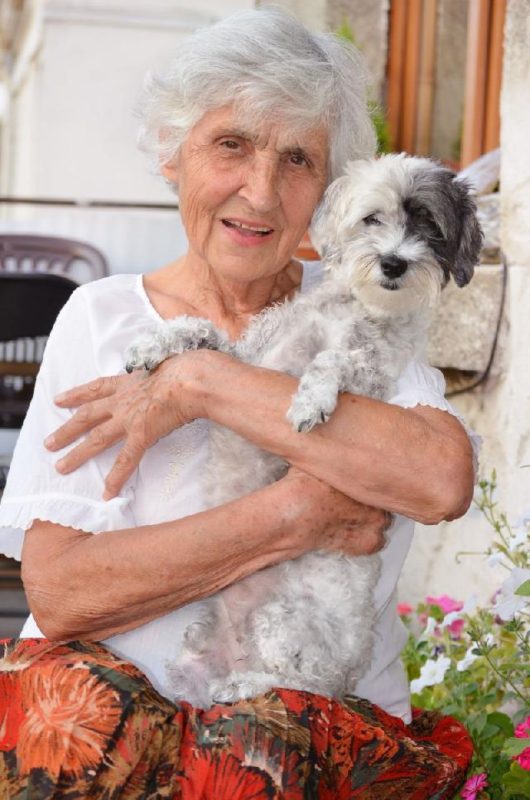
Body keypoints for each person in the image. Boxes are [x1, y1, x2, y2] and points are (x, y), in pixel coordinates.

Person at [0, 9, 477, 797]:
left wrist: (197, 383)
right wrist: (297, 514)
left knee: (257, 752)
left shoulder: (364, 304)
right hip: (111, 733)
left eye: (297, 159)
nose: (260, 191)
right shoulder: (103, 318)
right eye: (231, 145)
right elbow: (62, 592)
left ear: (332, 189)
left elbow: (439, 478)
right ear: (173, 157)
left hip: (303, 725)